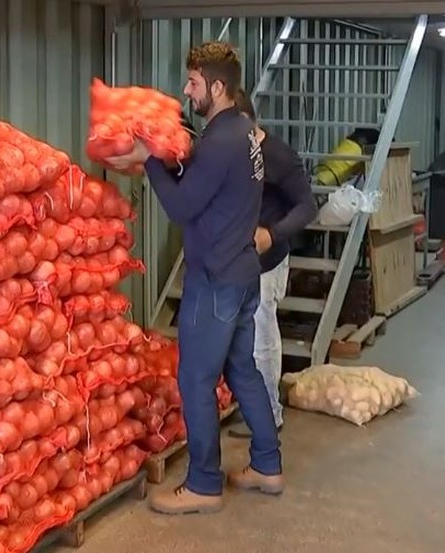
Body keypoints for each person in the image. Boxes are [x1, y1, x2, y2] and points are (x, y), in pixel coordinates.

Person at [105, 41, 284, 515]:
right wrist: (172, 158)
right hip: (245, 272)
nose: (187, 91)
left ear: (218, 86)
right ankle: (267, 464)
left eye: (194, 82)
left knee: (195, 378)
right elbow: (211, 183)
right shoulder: (243, 132)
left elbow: (183, 207)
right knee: (241, 369)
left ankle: (204, 484)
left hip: (218, 277)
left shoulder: (222, 141)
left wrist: (147, 160)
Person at [228, 88, 317, 438]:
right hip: (235, 262)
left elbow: (307, 207)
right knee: (241, 341)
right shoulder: (231, 156)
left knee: (261, 337)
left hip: (266, 263)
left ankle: (268, 416)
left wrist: (273, 233)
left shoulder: (278, 156)